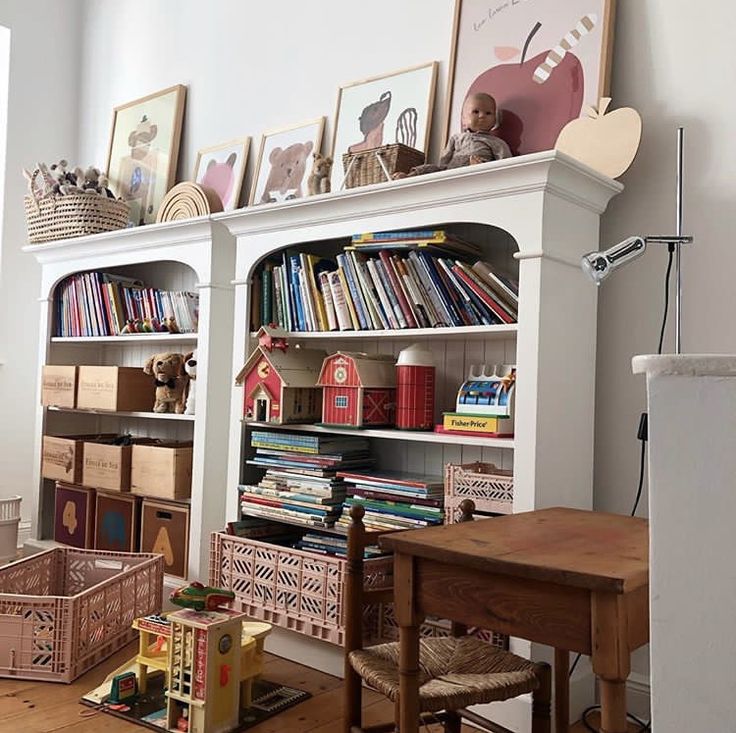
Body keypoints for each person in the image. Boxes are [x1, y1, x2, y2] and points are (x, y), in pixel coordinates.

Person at [394, 92, 511, 178]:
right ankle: (410, 176)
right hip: (451, 170)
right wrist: (443, 168)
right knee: (432, 168)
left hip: (478, 170)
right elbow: (444, 160)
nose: (482, 116)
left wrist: (483, 166)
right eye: (476, 112)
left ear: (495, 119)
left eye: (488, 113)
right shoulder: (456, 138)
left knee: (481, 168)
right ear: (464, 119)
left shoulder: (496, 142)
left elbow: (506, 164)